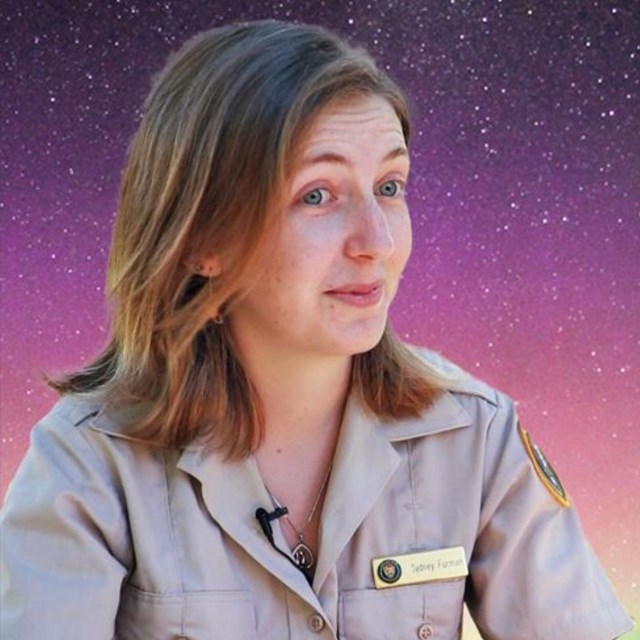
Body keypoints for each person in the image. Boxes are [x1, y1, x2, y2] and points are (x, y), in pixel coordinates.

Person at [0, 20, 633, 640]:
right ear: (201, 238)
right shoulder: (87, 466)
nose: (377, 243)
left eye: (389, 186)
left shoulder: (478, 436)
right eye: (317, 196)